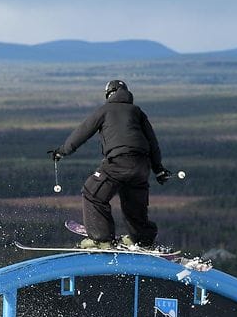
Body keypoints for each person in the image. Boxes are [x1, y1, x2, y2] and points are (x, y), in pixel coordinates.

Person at [48, 80, 171, 249]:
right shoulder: (137, 112)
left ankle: (102, 239)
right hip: (142, 166)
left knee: (93, 192)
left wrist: (62, 151)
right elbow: (153, 143)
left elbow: (83, 132)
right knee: (133, 204)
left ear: (109, 94)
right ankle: (142, 239)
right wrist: (158, 170)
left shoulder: (105, 110)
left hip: (118, 162)